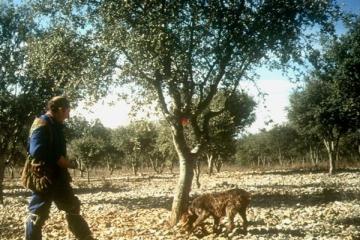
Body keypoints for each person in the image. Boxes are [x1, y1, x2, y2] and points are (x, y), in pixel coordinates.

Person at [25, 96, 95, 240]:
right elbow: (36, 151)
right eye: (67, 112)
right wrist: (61, 161)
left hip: (59, 177)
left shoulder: (55, 125)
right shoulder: (41, 123)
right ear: (61, 110)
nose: (68, 116)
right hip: (45, 177)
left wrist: (65, 163)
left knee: (72, 207)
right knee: (38, 214)